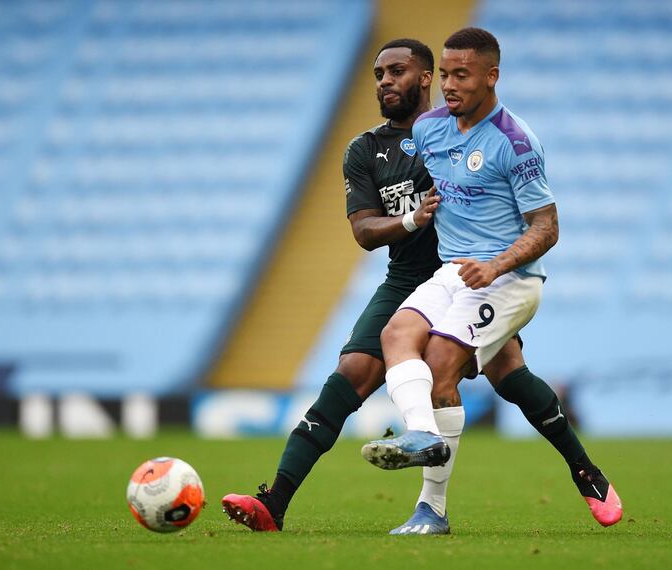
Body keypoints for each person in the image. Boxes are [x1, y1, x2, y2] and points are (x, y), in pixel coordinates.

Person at [220, 38, 527, 535]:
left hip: (469, 279)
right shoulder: (365, 150)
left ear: (427, 78)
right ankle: (273, 504)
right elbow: (363, 232)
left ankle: (588, 477)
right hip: (406, 281)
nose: (384, 81)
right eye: (378, 74)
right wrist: (412, 219)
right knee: (350, 373)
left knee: (512, 376)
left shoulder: (463, 134)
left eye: (396, 71)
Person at [361, 27, 623, 527]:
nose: (450, 85)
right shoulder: (429, 129)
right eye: (446, 75)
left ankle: (430, 510)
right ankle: (423, 435)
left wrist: (497, 264)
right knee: (400, 335)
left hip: (511, 279)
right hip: (454, 272)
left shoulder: (515, 142)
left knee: (441, 363)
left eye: (463, 75)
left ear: (491, 76)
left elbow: (546, 227)